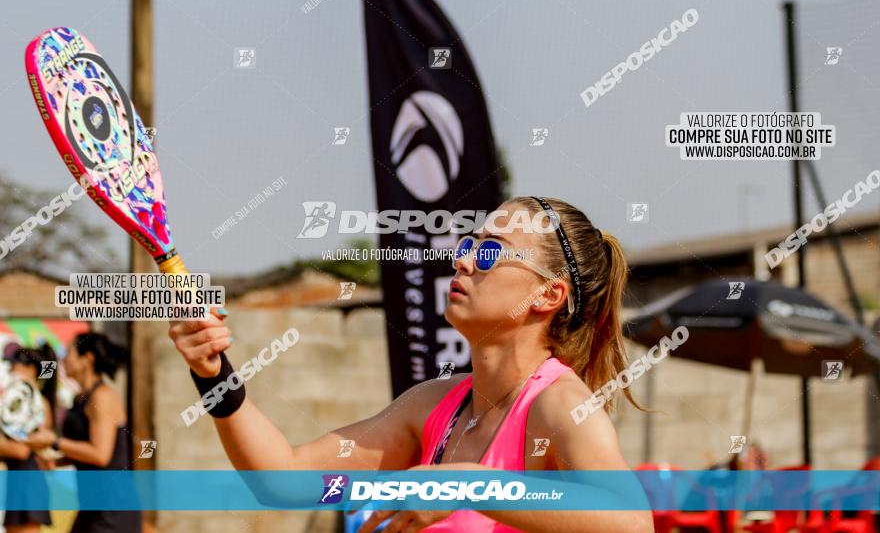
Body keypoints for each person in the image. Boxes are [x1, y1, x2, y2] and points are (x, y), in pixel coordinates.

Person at [168, 196, 655, 533]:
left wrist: (466, 484)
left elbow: (632, 522)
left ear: (547, 294)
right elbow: (283, 479)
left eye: (490, 253)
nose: (462, 262)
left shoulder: (559, 405)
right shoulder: (433, 404)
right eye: (467, 246)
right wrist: (214, 374)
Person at [26, 331, 142, 533]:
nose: (63, 358)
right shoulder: (81, 398)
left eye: (69, 352)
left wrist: (54, 441)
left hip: (113, 509)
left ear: (87, 359)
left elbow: (100, 455)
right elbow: (82, 451)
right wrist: (54, 460)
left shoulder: (102, 397)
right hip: (92, 506)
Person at [0, 344, 57, 533]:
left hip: (27, 482)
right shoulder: (25, 400)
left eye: (14, 365)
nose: (9, 370)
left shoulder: (30, 400)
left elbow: (22, 449)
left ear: (31, 369)